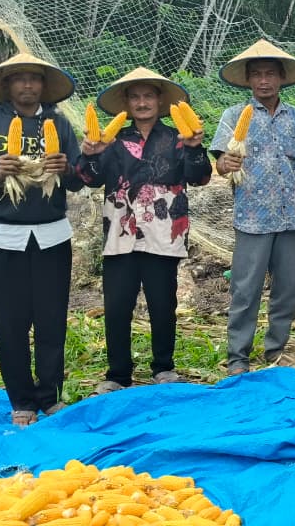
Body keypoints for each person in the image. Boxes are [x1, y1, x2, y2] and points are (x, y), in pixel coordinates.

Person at [0, 53, 83, 425]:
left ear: (44, 87)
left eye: (34, 79)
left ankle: (50, 396)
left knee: (51, 320)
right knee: (11, 322)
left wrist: (67, 170)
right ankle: (22, 401)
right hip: (4, 238)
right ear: (8, 86)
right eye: (20, 79)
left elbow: (80, 180)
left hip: (52, 236)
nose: (28, 85)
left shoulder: (59, 125)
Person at [76, 68, 212, 394]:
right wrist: (89, 155)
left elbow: (201, 176)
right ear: (126, 102)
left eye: (148, 96)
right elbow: (88, 179)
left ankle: (163, 367)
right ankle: (118, 374)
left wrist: (194, 148)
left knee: (162, 303)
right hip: (119, 233)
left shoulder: (177, 138)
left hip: (164, 232)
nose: (142, 103)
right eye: (135, 97)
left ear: (160, 100)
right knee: (118, 305)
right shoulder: (112, 141)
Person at [210, 40, 295, 376]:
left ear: (281, 78)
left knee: (287, 288)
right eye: (256, 75)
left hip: (293, 217)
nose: (263, 81)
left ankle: (276, 350)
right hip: (252, 217)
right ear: (247, 81)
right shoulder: (233, 116)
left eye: (270, 74)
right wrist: (225, 164)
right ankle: (238, 357)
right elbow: (219, 163)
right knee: (246, 289)